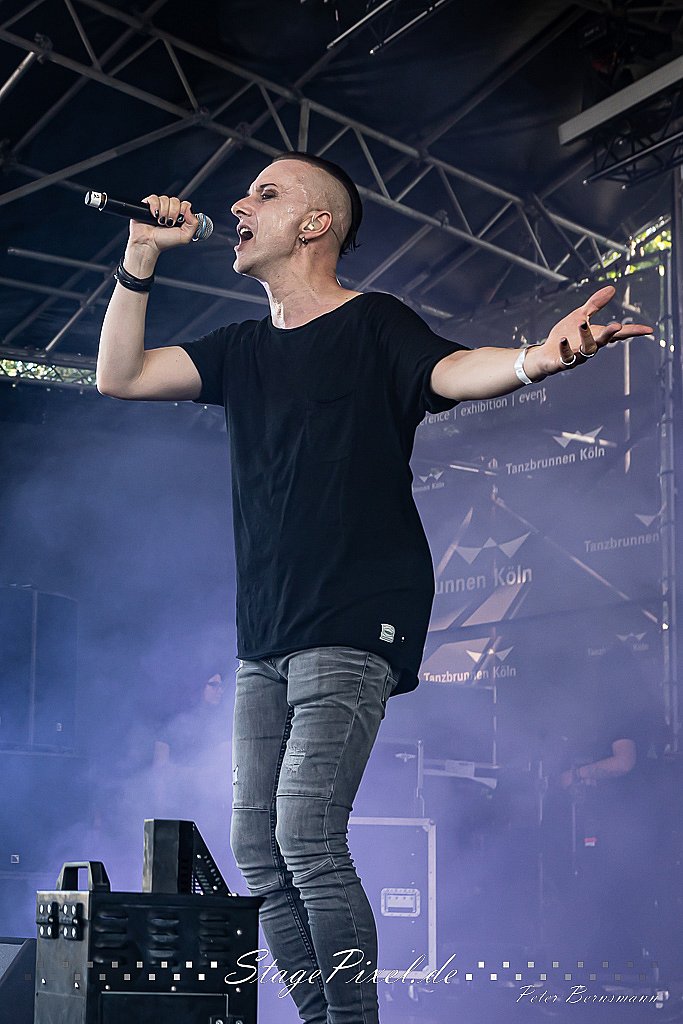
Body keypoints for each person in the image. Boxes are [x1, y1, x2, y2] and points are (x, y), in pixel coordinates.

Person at [95, 151, 651, 1024]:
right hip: (266, 630)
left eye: (265, 193)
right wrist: (138, 257)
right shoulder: (240, 350)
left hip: (354, 614)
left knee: (305, 834)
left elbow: (452, 370)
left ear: (314, 224)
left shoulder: (373, 323)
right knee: (257, 849)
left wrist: (537, 360)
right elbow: (118, 376)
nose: (238, 204)